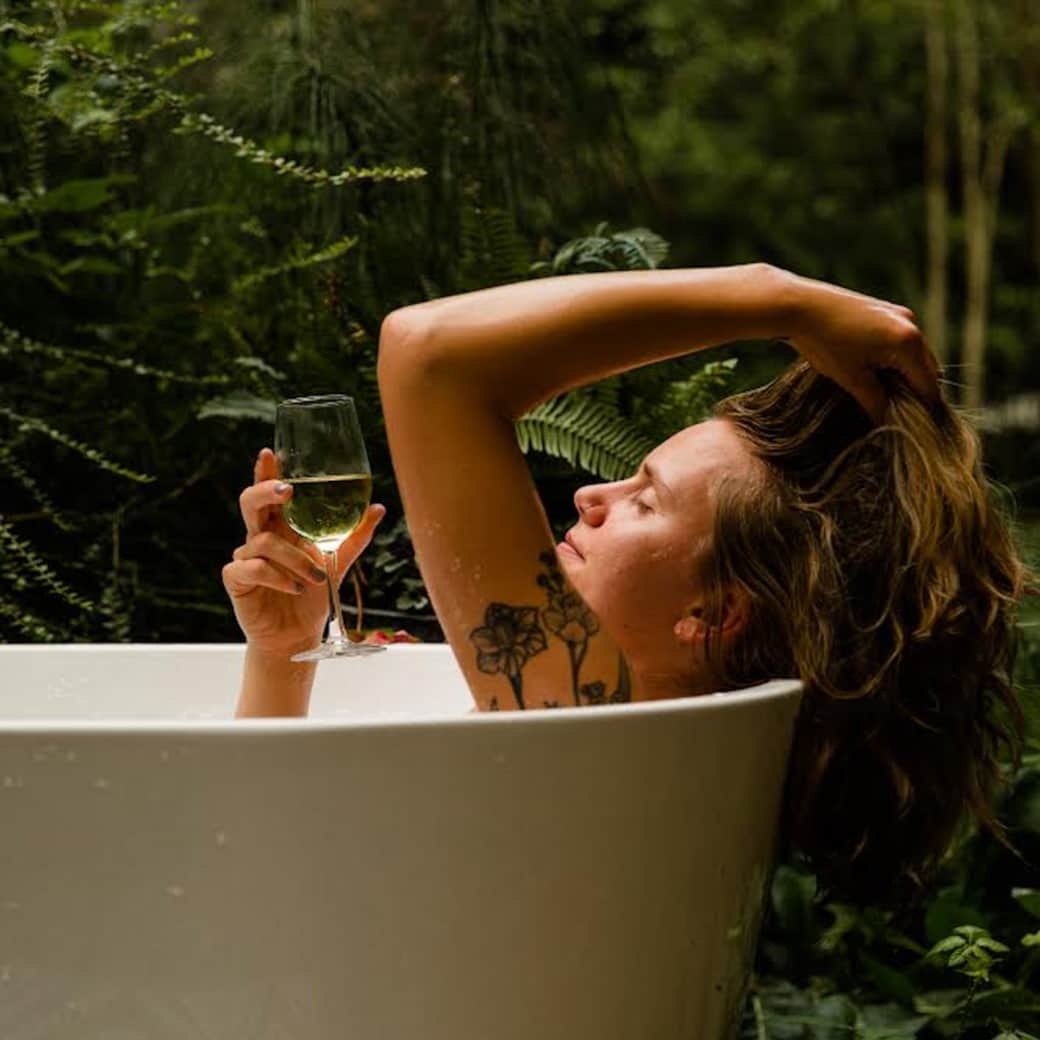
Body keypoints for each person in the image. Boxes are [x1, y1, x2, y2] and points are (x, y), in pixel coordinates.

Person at [223, 263, 1034, 908]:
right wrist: (283, 655)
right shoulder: (700, 756)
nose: (593, 497)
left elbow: (429, 352)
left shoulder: (592, 728)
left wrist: (778, 298)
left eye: (646, 500)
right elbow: (274, 867)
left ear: (714, 613)